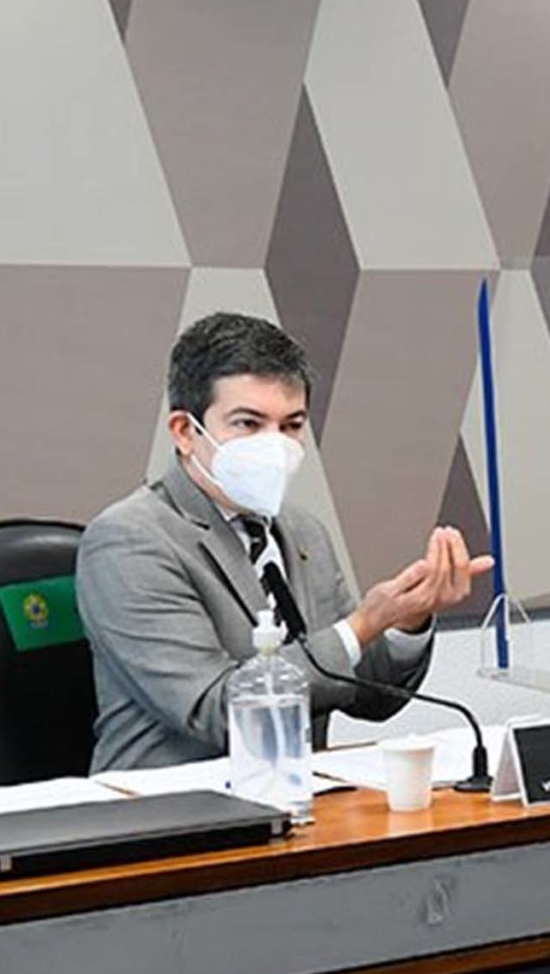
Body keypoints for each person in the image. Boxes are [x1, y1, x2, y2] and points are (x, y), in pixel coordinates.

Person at [78, 313, 492, 772]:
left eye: (291, 425)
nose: (274, 446)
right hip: (169, 815)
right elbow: (216, 711)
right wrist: (361, 625)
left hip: (299, 801)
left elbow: (368, 696)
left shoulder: (301, 530)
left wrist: (404, 620)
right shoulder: (129, 539)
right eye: (248, 424)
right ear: (184, 432)